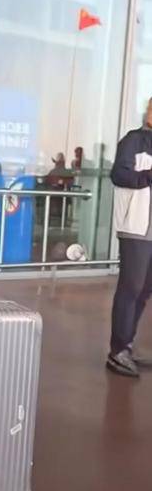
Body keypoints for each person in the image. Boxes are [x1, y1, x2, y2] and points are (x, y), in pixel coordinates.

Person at [107, 98, 152, 377]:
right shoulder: (134, 140)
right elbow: (118, 175)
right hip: (136, 228)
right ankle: (117, 351)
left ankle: (127, 346)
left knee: (145, 290)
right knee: (131, 288)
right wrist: (148, 175)